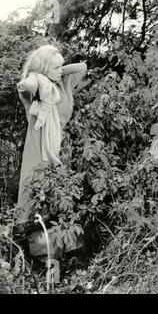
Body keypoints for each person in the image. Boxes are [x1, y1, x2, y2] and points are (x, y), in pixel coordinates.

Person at [14, 45, 87, 262]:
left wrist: (56, 69)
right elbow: (25, 85)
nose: (60, 70)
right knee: (38, 203)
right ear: (44, 69)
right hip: (39, 156)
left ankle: (69, 258)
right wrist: (38, 76)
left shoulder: (62, 83)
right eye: (55, 67)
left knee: (63, 201)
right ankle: (43, 262)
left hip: (61, 151)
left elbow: (82, 67)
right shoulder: (35, 91)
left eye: (60, 66)